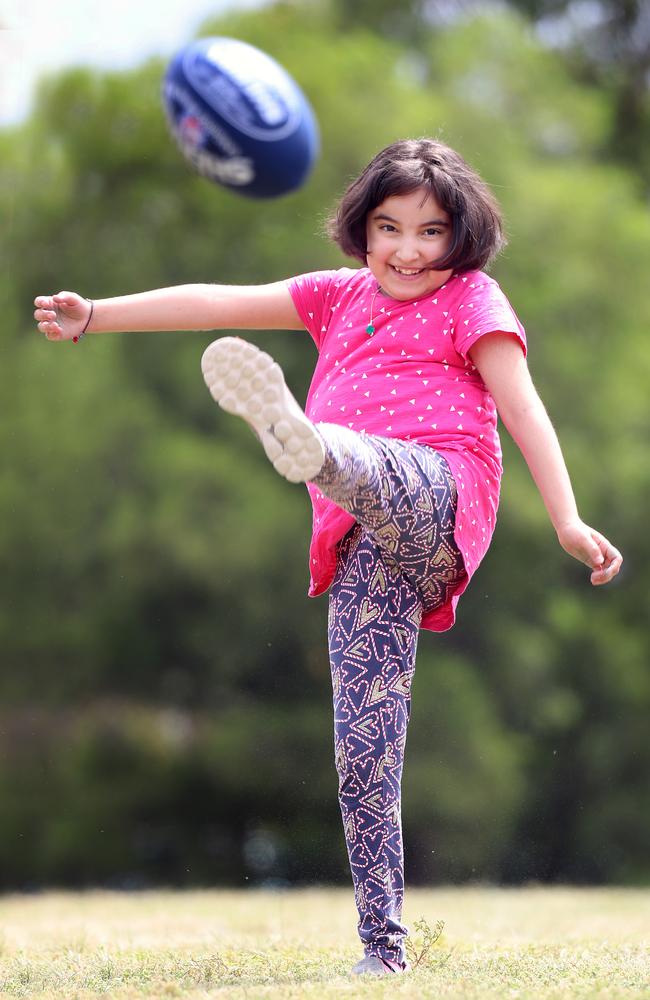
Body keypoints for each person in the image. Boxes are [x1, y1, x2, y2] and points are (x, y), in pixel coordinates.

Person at [33, 138, 622, 977]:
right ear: (361, 227)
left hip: (439, 495)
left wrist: (565, 517)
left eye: (431, 232)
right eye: (390, 228)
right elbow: (212, 302)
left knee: (374, 464)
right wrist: (96, 314)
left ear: (462, 238)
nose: (409, 250)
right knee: (362, 743)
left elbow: (523, 410)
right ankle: (383, 952)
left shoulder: (472, 299)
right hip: (359, 547)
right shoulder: (334, 297)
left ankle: (317, 449)